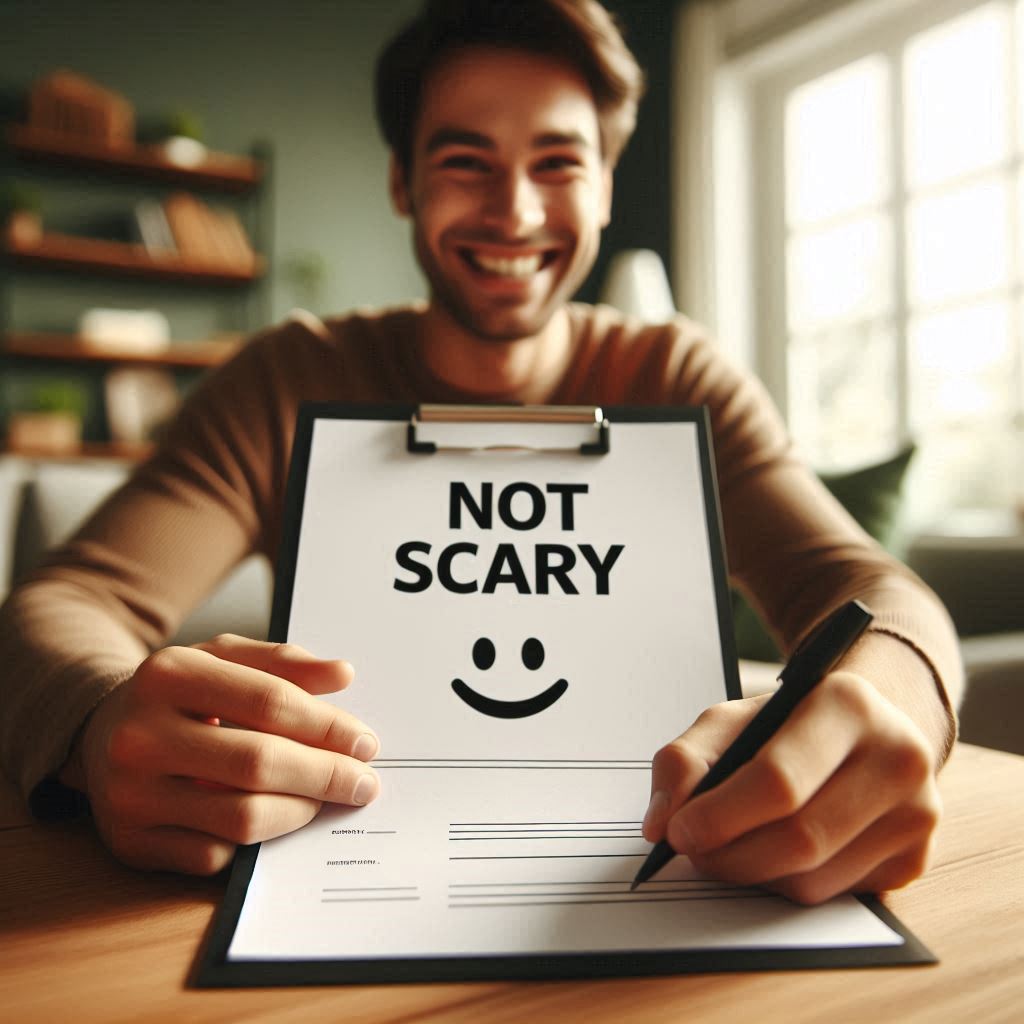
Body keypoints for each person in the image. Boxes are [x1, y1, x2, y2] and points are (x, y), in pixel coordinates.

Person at [0, 0, 960, 905]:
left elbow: (870, 588)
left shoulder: (678, 377)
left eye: (558, 163)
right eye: (466, 161)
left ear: (605, 185)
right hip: (353, 863)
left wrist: (880, 705)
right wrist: (98, 721)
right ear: (402, 181)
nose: (516, 212)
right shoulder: (286, 382)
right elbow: (68, 600)